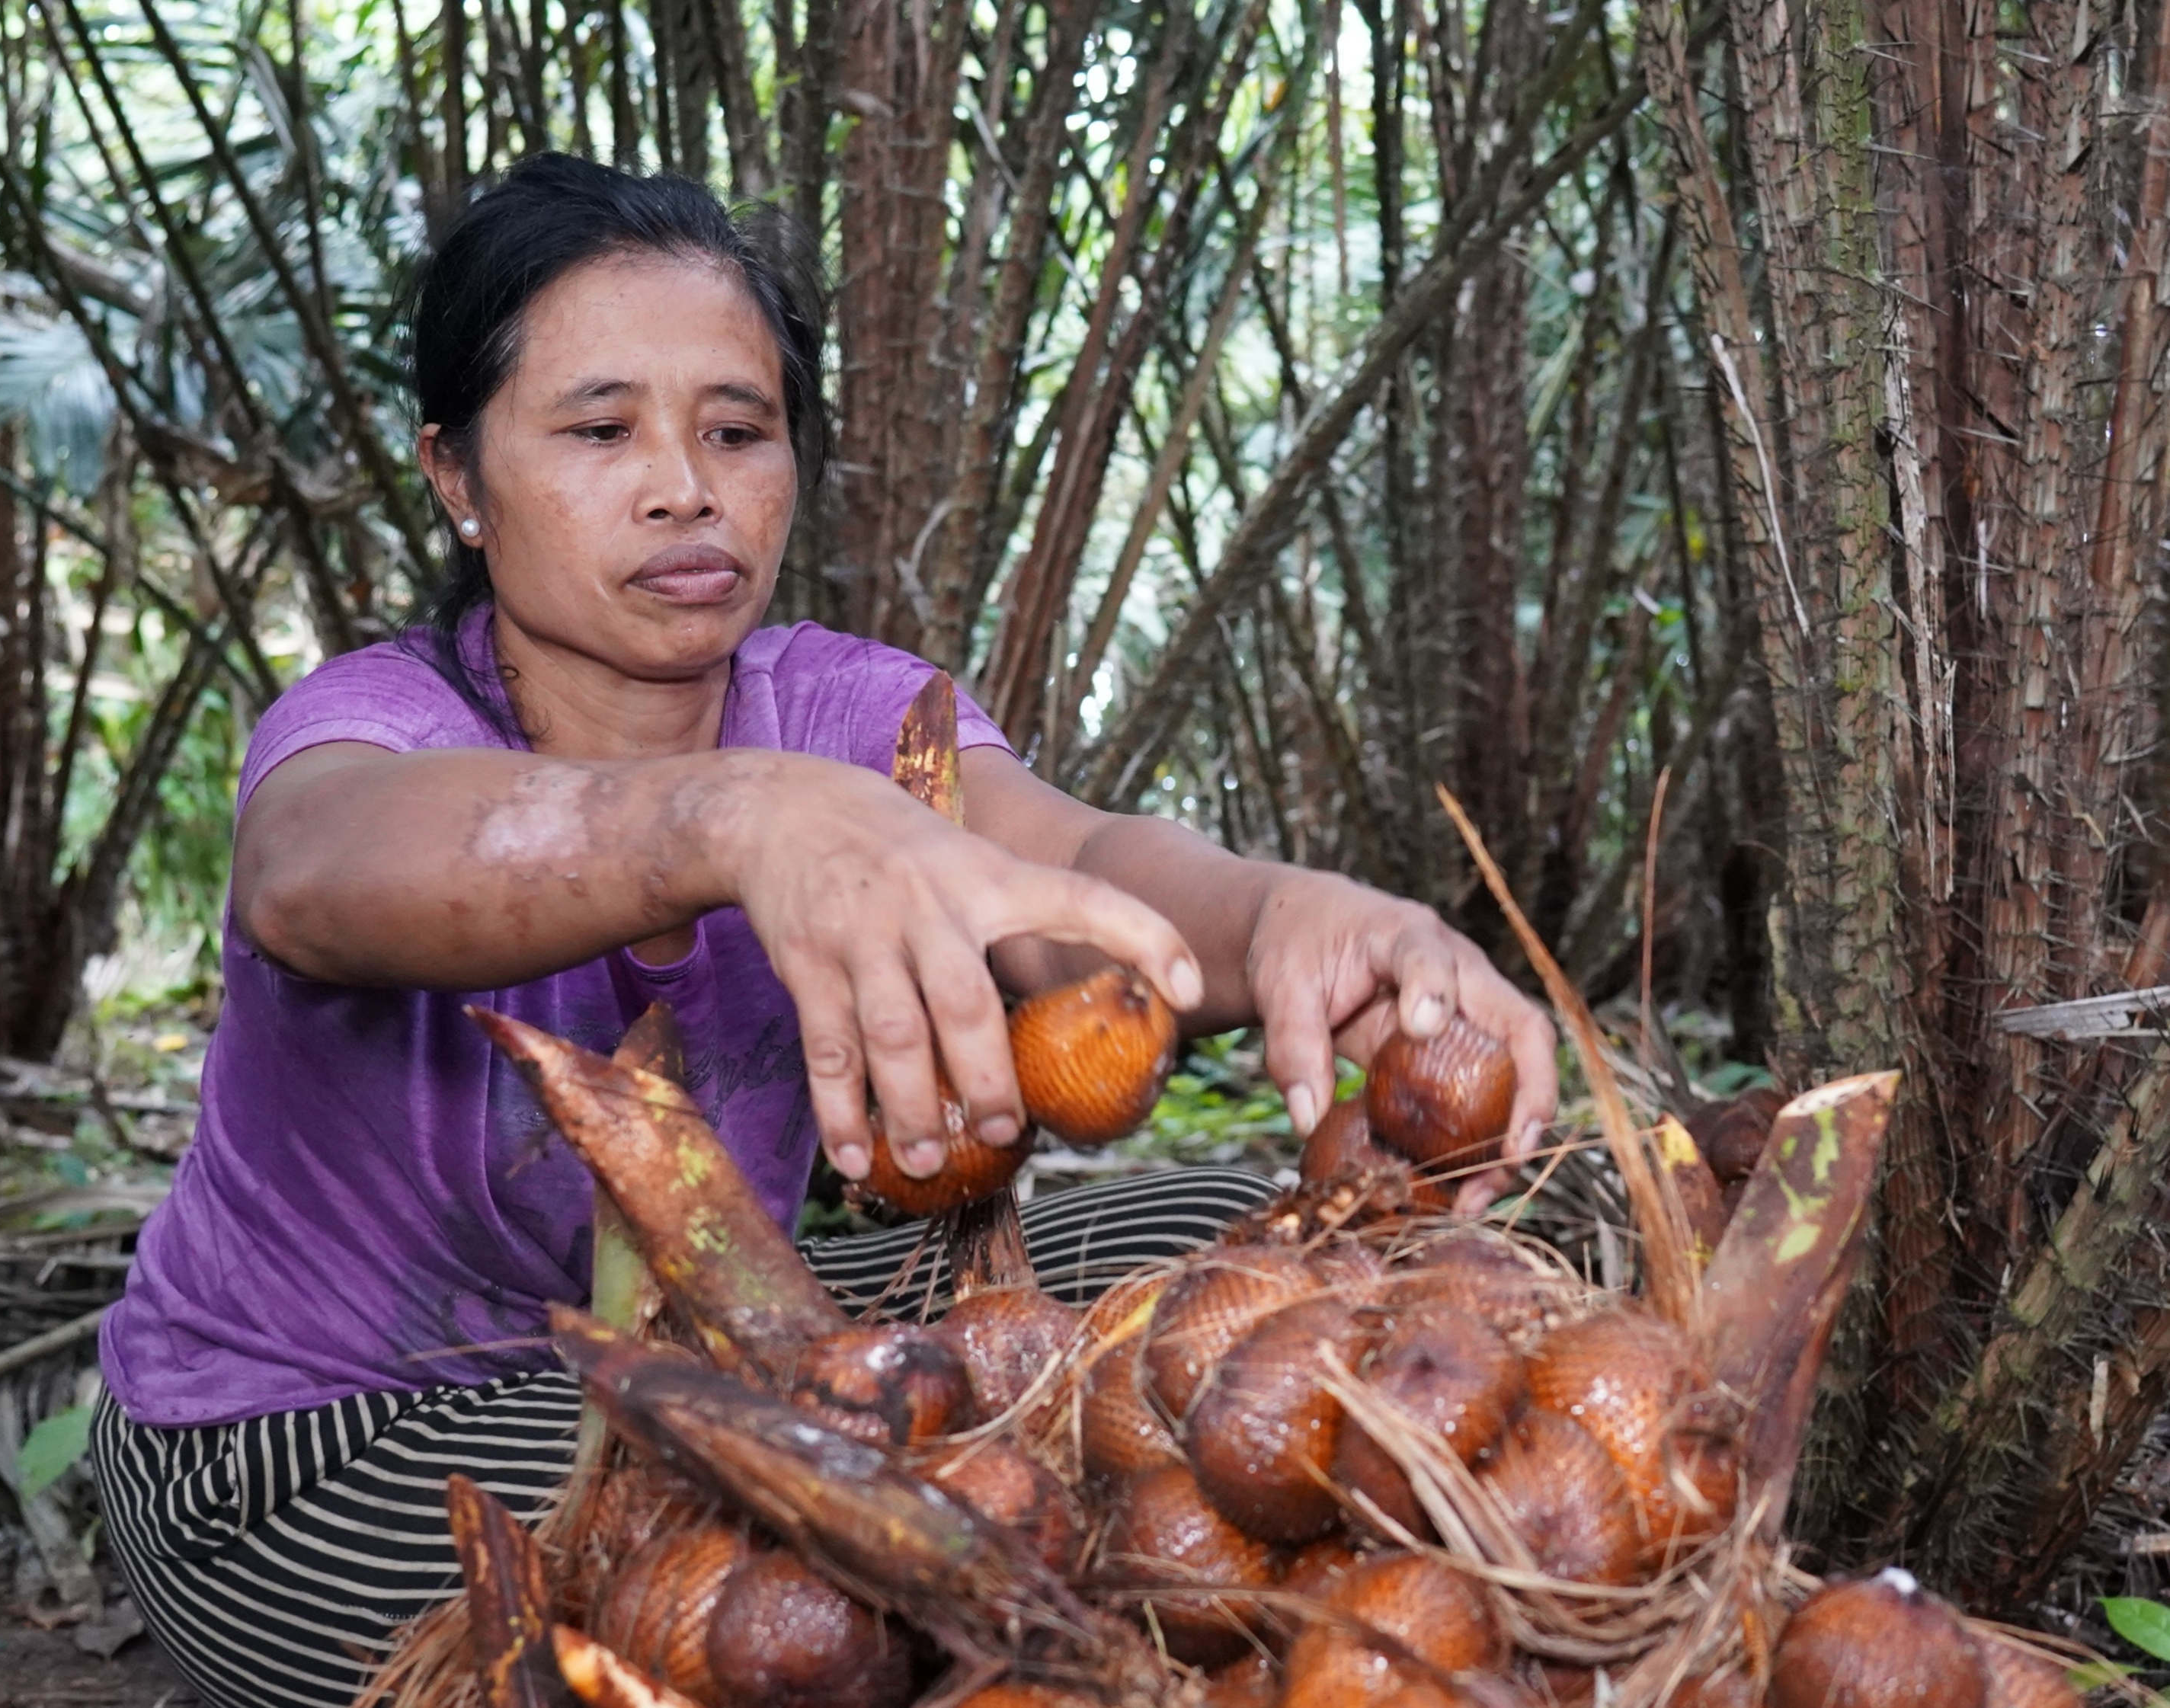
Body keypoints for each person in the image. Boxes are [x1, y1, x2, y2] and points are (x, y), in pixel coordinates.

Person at [91, 155, 1557, 1708]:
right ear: (457, 476)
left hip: (730, 1352)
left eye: (738, 428)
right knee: (815, 1572)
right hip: (322, 1437)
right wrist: (732, 818)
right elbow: (309, 872)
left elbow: (1071, 864)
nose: (684, 484)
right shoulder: (376, 725)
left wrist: (1295, 919)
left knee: (1240, 1269)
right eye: (600, 431)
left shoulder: (860, 716)